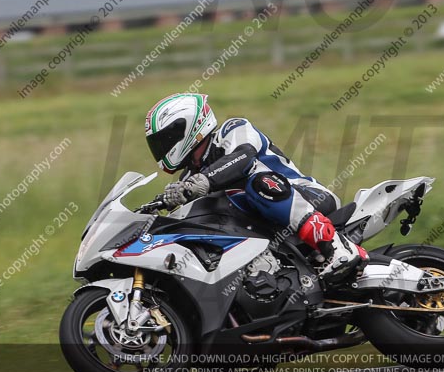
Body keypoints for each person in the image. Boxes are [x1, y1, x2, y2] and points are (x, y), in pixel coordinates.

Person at [144, 93, 368, 281]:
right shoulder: (190, 177)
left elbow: (244, 156)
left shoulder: (232, 129)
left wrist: (201, 182)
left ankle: (336, 246)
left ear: (188, 127)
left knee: (259, 183)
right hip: (271, 229)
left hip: (309, 197)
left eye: (166, 138)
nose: (162, 147)